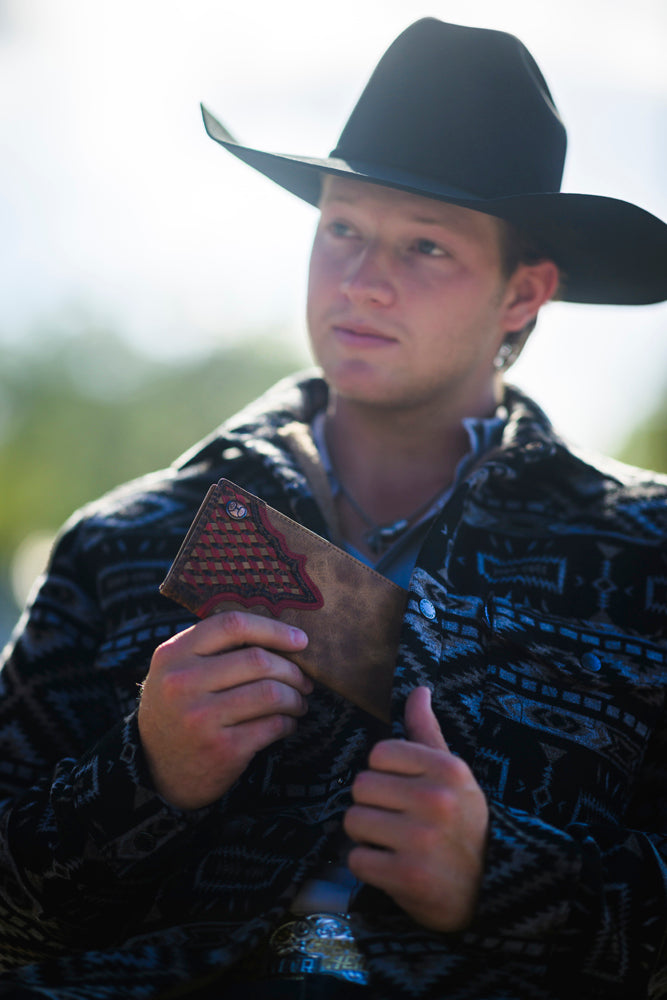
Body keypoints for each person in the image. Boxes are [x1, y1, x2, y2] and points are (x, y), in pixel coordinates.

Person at [1, 18, 666, 1000]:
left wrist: (500, 877)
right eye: (342, 229)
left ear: (522, 293)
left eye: (425, 246)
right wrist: (144, 774)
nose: (361, 280)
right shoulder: (121, 542)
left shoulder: (645, 561)